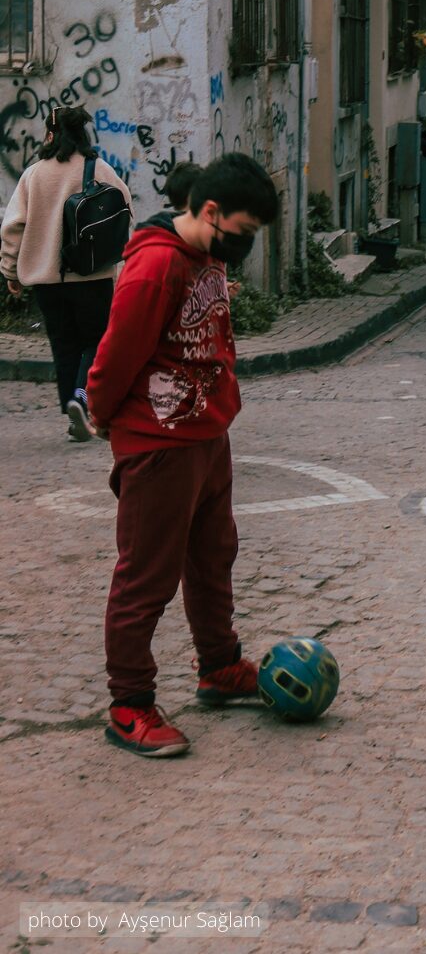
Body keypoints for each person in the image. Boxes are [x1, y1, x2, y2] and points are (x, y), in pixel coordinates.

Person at [85, 152, 279, 758]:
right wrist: (100, 409)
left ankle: (219, 667)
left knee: (213, 556)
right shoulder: (156, 267)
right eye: (244, 231)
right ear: (211, 211)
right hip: (159, 444)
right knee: (147, 576)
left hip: (206, 434)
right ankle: (129, 705)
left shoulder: (206, 254)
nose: (245, 243)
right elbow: (118, 352)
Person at [0, 106, 133, 442]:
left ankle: (73, 414)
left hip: (46, 280)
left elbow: (13, 227)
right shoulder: (99, 168)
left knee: (63, 344)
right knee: (96, 340)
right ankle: (81, 399)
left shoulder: (33, 175)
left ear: (50, 135)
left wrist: (10, 271)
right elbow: (125, 208)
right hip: (92, 276)